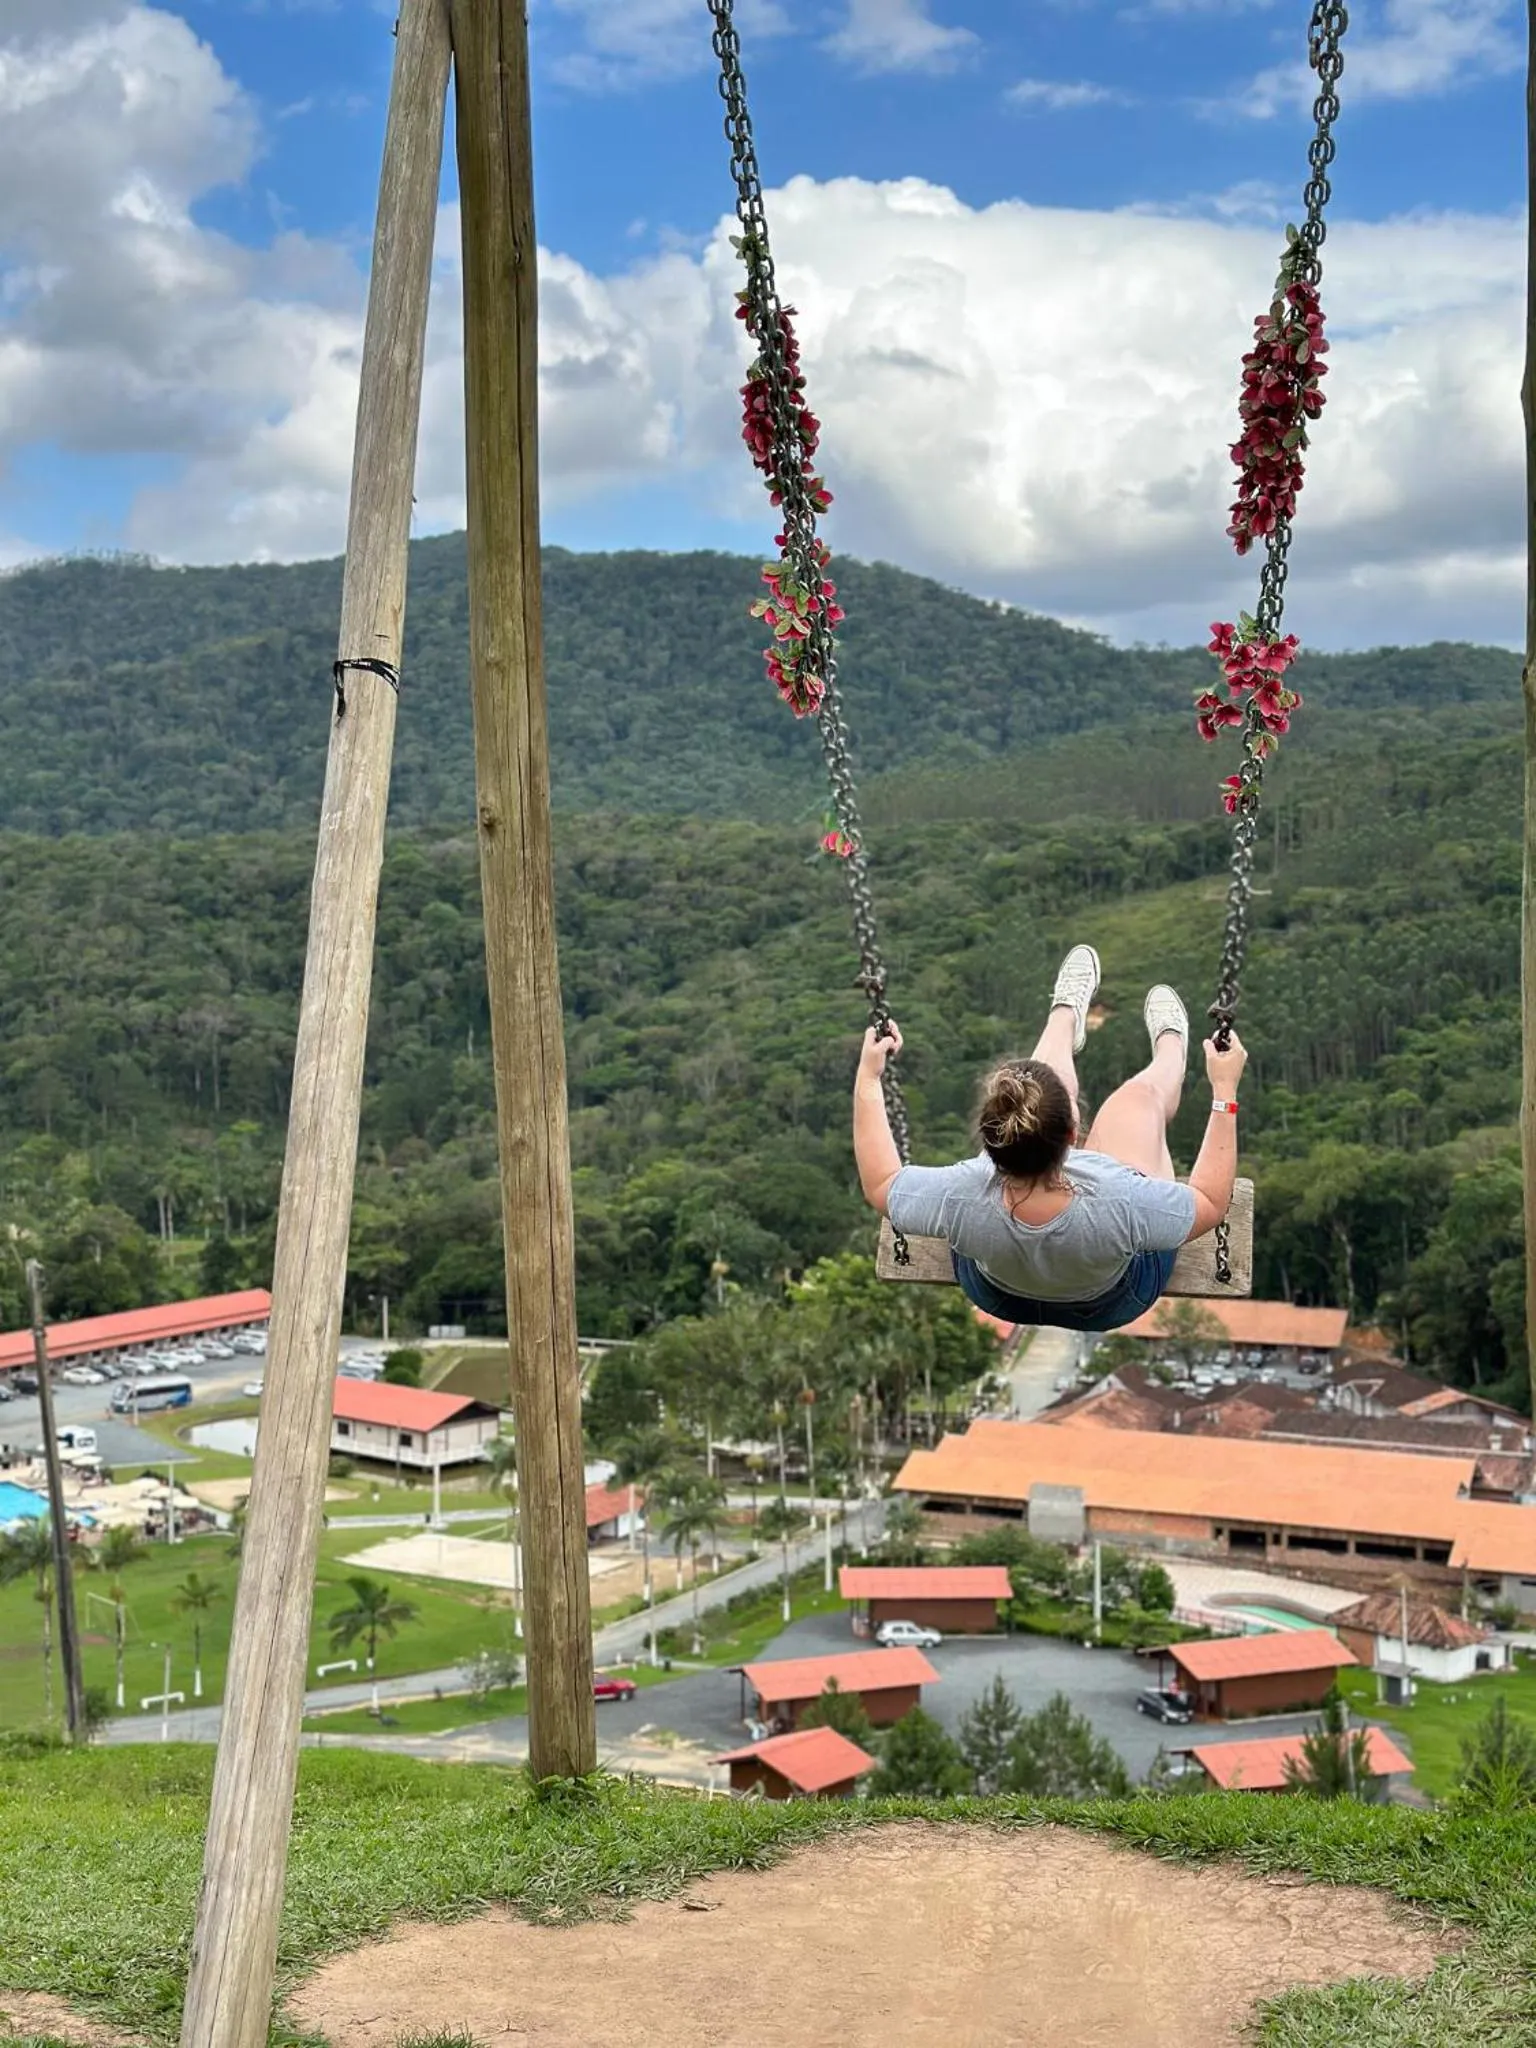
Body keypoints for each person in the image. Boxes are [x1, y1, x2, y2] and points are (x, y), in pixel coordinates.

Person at [852, 944, 1246, 1332]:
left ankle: (1064, 1015)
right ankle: (1171, 1051)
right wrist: (1224, 1089)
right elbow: (1210, 1203)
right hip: (1111, 1300)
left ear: (990, 1144)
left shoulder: (961, 1194)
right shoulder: (1118, 1199)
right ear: (1074, 1135)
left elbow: (881, 1183)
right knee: (1137, 1101)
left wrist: (869, 1075)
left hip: (1000, 1294)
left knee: (1040, 1076)